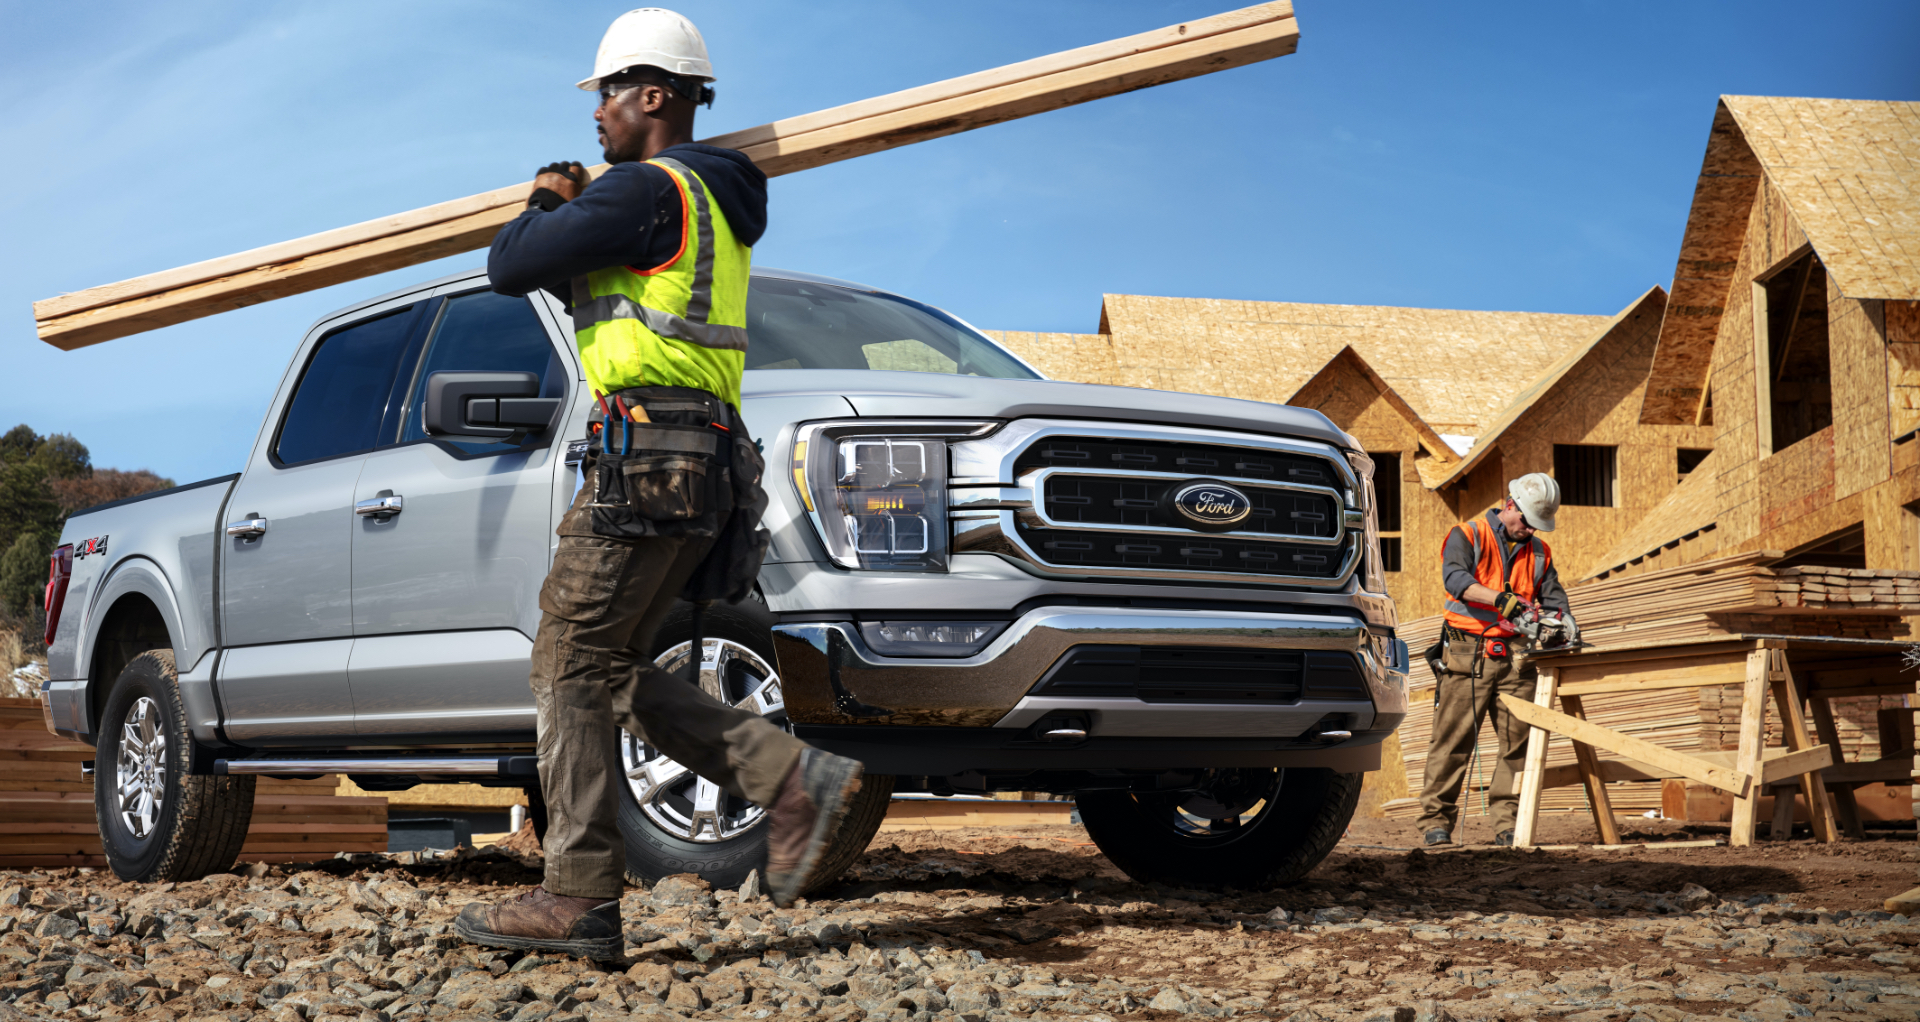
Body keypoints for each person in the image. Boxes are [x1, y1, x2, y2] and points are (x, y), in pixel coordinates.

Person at [453, 8, 865, 960]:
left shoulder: (645, 191)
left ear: (651, 95)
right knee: (609, 673)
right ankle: (791, 777)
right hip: (699, 462)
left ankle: (578, 896)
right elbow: (597, 291)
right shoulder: (704, 203)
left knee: (565, 661)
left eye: (605, 93)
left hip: (644, 459)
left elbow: (509, 265)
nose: (595, 112)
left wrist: (545, 196)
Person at [1416, 473, 1573, 848]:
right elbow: (1456, 579)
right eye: (1526, 521)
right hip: (1467, 653)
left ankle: (1508, 825)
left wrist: (1562, 623)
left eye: (1537, 525)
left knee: (1516, 744)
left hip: (1517, 658)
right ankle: (1436, 822)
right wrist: (1500, 599)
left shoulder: (1539, 552)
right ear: (1510, 505)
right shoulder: (1467, 535)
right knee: (1452, 741)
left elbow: (1555, 599)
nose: (1529, 530)